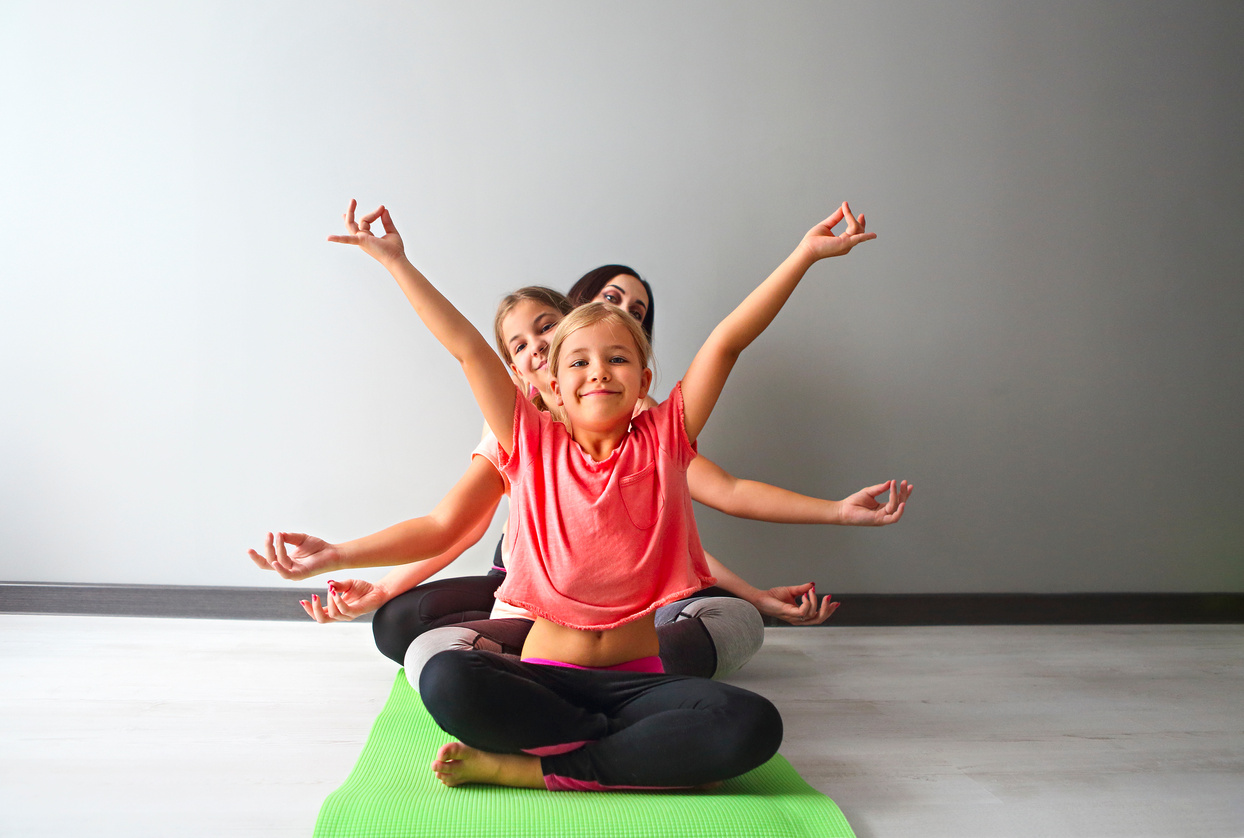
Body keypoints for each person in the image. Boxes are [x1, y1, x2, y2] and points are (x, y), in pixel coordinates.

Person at [315, 198, 875, 791]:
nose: (599, 371)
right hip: (546, 680)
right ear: (552, 384)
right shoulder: (530, 442)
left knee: (752, 723)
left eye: (617, 358)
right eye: (579, 362)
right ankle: (616, 756)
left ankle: (541, 766)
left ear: (644, 379)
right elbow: (467, 349)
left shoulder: (664, 439)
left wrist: (804, 256)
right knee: (448, 678)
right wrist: (397, 263)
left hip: (639, 682)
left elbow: (728, 342)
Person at [250, 276, 911, 680]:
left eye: (549, 330)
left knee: (729, 625)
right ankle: (528, 663)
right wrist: (352, 566)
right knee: (402, 628)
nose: (538, 348)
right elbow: (454, 525)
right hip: (524, 591)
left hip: (624, 610)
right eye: (522, 344)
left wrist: (765, 588)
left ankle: (616, 665)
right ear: (523, 371)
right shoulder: (519, 433)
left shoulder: (647, 428)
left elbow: (678, 524)